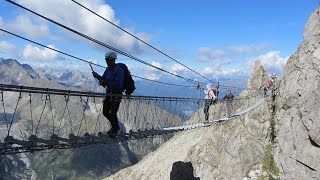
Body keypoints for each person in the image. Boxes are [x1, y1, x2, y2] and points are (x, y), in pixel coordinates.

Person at [92, 51, 125, 136]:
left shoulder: (119, 70)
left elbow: (119, 83)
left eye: (108, 60)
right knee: (105, 112)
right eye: (106, 59)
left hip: (116, 94)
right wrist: (97, 76)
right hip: (109, 93)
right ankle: (115, 126)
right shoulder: (107, 69)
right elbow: (104, 78)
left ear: (113, 60)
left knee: (113, 113)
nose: (107, 61)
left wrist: (106, 83)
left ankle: (114, 130)